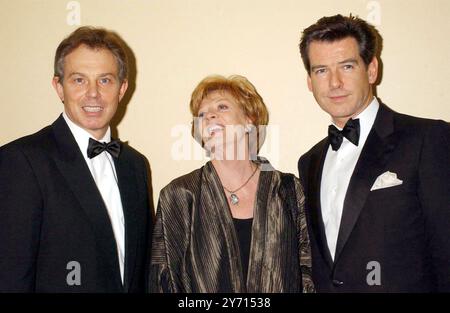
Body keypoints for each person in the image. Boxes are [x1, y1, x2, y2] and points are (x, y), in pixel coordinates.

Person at [297, 14, 450, 292]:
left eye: (347, 66)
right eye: (321, 70)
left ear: (371, 69)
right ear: (309, 81)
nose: (334, 83)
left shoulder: (428, 139)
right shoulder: (309, 162)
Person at [0, 26, 152, 292]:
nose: (93, 93)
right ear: (59, 87)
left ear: (122, 88)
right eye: (79, 80)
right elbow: (11, 277)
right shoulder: (22, 161)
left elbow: (143, 272)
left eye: (105, 80)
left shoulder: (136, 166)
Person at [150, 75, 314, 293]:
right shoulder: (178, 195)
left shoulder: (288, 189)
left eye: (222, 106)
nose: (209, 115)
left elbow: (308, 272)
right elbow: (163, 281)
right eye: (201, 114)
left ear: (249, 120)